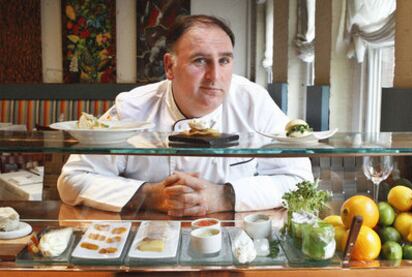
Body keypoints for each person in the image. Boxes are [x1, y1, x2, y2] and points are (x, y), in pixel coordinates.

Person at [57, 15, 313, 216]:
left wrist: (224, 196)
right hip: (148, 241)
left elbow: (300, 181)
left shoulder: (253, 102)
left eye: (224, 61)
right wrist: (148, 195)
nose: (215, 76)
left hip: (231, 240)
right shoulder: (132, 107)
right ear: (170, 66)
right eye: (200, 61)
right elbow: (72, 180)